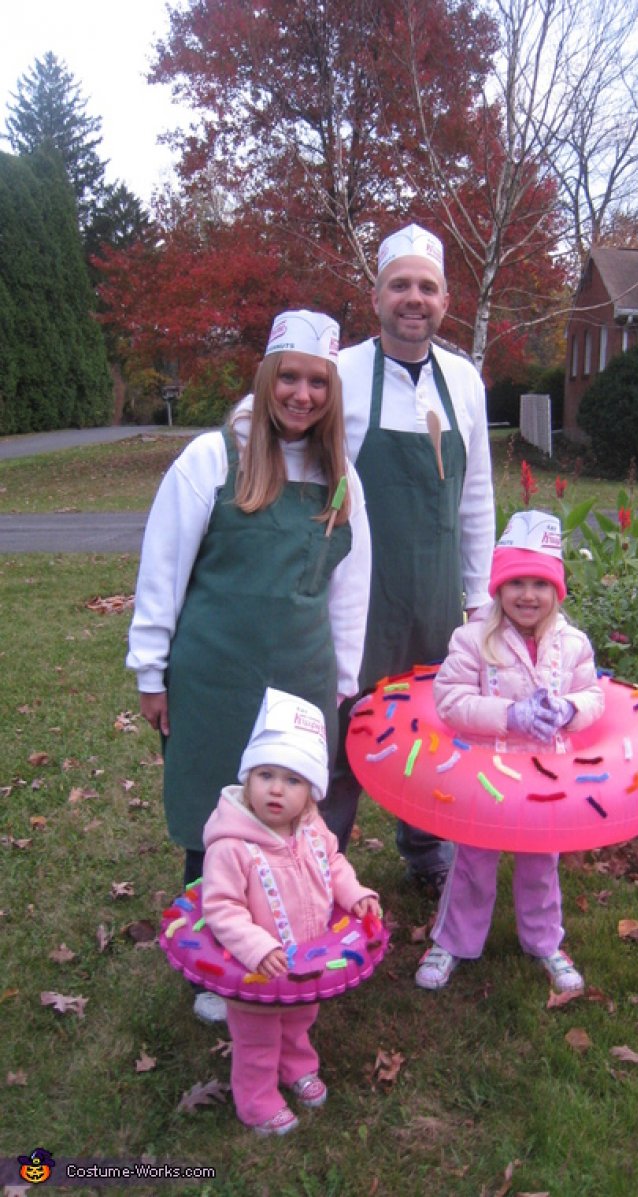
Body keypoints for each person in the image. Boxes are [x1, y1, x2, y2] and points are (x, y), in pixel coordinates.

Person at [126, 310, 371, 1025]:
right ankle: (213, 952)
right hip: (214, 672)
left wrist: (345, 679)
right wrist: (151, 669)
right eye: (289, 377)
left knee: (286, 814)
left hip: (300, 673)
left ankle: (288, 937)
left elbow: (351, 583)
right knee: (217, 809)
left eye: (316, 382)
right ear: (267, 378)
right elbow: (163, 565)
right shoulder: (212, 458)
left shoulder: (339, 475)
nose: (301, 394)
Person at [320, 224, 496, 895]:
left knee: (431, 729)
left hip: (435, 599)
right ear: (377, 296)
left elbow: (475, 495)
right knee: (341, 731)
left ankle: (426, 850)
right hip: (353, 596)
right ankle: (319, 855)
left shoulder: (465, 381)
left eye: (426, 286)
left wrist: (480, 601)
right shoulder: (340, 375)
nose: (412, 298)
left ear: (446, 300)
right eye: (401, 285)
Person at [414, 510, 604, 993]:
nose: (527, 595)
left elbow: (594, 697)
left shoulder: (573, 644)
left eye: (540, 584)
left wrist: (567, 709)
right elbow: (451, 700)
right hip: (487, 774)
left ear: (556, 591)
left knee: (542, 863)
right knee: (473, 860)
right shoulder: (474, 639)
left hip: (546, 777)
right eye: (515, 582)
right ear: (497, 587)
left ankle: (544, 941)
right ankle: (454, 940)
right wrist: (509, 714)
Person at [202, 687, 381, 1136]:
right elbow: (221, 906)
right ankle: (257, 1101)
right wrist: (256, 946)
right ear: (248, 780)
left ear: (311, 794)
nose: (277, 788)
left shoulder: (312, 830)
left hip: (307, 958)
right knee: (257, 1039)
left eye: (293, 779)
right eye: (265, 774)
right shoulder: (231, 846)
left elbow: (333, 864)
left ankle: (295, 1066)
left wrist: (354, 893)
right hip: (258, 967)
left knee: (300, 1018)